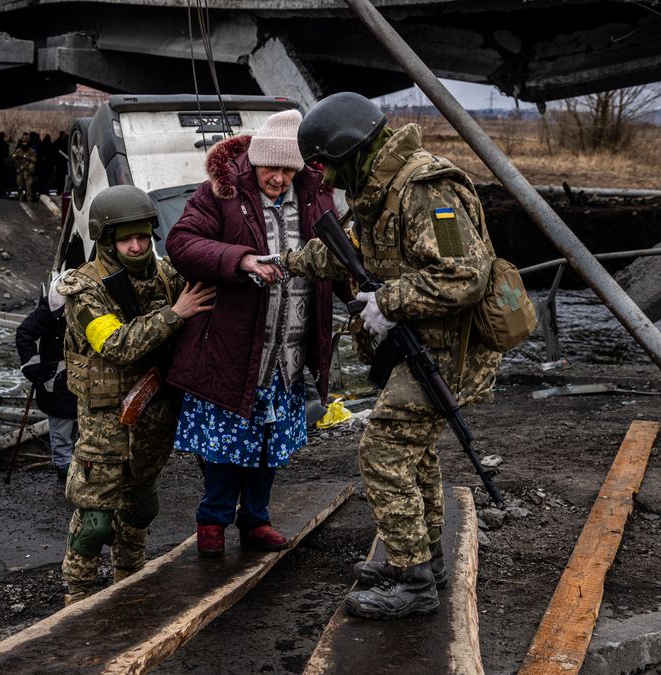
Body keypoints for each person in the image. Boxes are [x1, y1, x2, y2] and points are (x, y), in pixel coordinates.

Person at [282, 92, 503, 620]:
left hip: (451, 352)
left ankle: (414, 582)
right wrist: (281, 262)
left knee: (381, 453)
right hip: (420, 345)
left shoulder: (429, 190)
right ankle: (423, 561)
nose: (328, 181)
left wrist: (387, 299)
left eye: (329, 166)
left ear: (351, 150)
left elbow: (465, 275)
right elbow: (349, 249)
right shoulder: (379, 190)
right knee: (413, 454)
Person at [165, 109, 341, 557]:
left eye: (288, 169)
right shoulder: (220, 194)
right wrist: (241, 260)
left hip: (288, 351)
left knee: (270, 443)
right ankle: (213, 520)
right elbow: (181, 243)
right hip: (233, 346)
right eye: (271, 168)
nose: (279, 178)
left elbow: (337, 253)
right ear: (255, 161)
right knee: (226, 445)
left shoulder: (316, 197)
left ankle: (256, 519)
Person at [56, 185, 215, 605]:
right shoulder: (84, 291)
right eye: (126, 238)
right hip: (105, 424)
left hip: (153, 418)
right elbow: (115, 345)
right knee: (94, 521)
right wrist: (175, 314)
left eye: (143, 236)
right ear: (106, 240)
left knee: (141, 509)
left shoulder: (165, 275)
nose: (137, 245)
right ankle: (78, 596)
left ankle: (130, 582)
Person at [15, 277, 79, 482]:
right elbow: (25, 333)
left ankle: (81, 471)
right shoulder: (53, 304)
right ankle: (64, 471)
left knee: (83, 430)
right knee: (61, 430)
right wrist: (33, 366)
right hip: (56, 380)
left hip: (85, 379)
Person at [11, 133, 37, 201]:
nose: (24, 143)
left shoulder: (31, 151)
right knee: (20, 187)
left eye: (25, 142)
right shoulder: (18, 150)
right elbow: (13, 157)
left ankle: (29, 201)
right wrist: (16, 156)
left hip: (27, 172)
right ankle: (20, 200)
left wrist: (26, 157)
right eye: (23, 142)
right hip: (20, 171)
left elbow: (35, 160)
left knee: (29, 188)